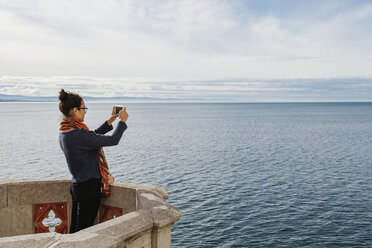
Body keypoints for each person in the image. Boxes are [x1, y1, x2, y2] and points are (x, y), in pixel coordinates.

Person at [58, 89, 128, 233]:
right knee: (83, 231)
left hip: (77, 185)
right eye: (84, 109)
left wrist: (111, 120)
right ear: (74, 110)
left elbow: (92, 136)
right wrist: (122, 122)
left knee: (75, 229)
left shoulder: (65, 131)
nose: (85, 112)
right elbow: (113, 140)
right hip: (88, 188)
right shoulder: (79, 134)